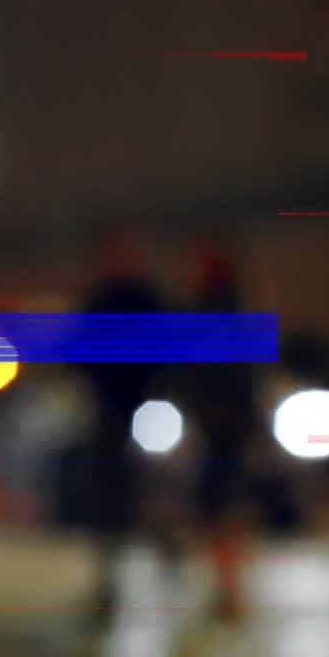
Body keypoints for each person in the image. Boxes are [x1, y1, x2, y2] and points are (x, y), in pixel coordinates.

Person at [77, 224, 168, 620]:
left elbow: (167, 350)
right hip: (110, 412)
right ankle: (108, 584)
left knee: (148, 494)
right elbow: (77, 351)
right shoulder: (99, 299)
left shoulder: (144, 298)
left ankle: (167, 564)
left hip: (145, 413)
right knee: (111, 500)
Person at [183, 236, 257, 621]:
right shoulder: (228, 312)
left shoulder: (214, 313)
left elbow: (223, 375)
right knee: (219, 506)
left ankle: (228, 589)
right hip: (224, 426)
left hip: (220, 428)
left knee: (219, 506)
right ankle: (226, 588)